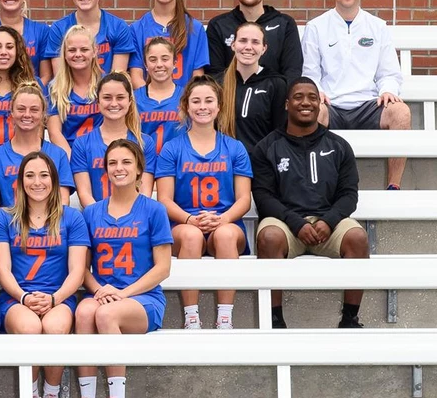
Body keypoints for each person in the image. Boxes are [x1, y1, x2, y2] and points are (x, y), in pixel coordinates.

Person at [252, 77, 369, 329]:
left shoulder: (339, 146)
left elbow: (349, 195)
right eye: (298, 97)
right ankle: (275, 320)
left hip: (328, 224)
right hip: (286, 223)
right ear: (286, 104)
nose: (305, 102)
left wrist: (329, 221)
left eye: (312, 97)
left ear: (319, 104)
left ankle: (350, 319)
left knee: (358, 238)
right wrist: (295, 223)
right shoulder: (267, 147)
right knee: (269, 237)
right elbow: (263, 196)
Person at [75, 139, 173, 398]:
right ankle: (87, 397)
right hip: (102, 293)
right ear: (105, 170)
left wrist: (122, 294)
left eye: (126, 162)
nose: (119, 168)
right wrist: (97, 289)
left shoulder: (154, 209)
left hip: (143, 299)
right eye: (113, 163)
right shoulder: (91, 212)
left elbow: (163, 268)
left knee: (106, 314)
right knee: (84, 311)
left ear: (139, 169)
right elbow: (81, 268)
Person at [153, 76, 252, 331]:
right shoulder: (172, 148)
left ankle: (225, 317)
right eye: (196, 101)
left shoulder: (234, 147)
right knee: (191, 236)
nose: (203, 106)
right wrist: (189, 219)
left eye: (209, 100)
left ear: (219, 107)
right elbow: (163, 199)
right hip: (184, 223)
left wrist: (223, 219)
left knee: (227, 235)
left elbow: (244, 199)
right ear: (186, 106)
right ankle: (191, 316)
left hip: (225, 221)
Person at [0, 151, 90, 398]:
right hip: (17, 298)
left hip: (59, 296)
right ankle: (31, 397)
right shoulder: (4, 217)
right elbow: (3, 270)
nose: (37, 182)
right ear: (20, 181)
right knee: (30, 328)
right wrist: (23, 297)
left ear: (54, 180)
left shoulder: (72, 217)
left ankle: (51, 394)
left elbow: (78, 271)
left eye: (44, 175)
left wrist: (55, 299)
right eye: (30, 175)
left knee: (55, 328)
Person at [302, 0, 410, 189]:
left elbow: (388, 72)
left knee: (401, 112)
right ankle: (316, 186)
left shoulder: (377, 27)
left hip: (368, 105)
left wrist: (387, 90)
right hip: (332, 105)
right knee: (313, 110)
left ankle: (394, 186)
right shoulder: (316, 27)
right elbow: (310, 73)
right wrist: (317, 91)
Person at [206, 0, 303, 83]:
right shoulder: (218, 25)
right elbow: (215, 74)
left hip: (273, 99)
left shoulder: (285, 24)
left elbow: (292, 72)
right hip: (230, 99)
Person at [70, 73, 156, 207]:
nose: (114, 103)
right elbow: (84, 194)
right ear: (98, 102)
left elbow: (145, 191)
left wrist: (131, 218)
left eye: (120, 97)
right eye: (107, 98)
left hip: (136, 222)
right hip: (96, 221)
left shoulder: (145, 142)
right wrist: (102, 220)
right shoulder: (82, 144)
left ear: (129, 101)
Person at [0, 83, 73, 213]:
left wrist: (41, 224)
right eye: (21, 109)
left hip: (49, 228)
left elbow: (63, 200)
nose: (27, 115)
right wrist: (10, 222)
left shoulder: (58, 154)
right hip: (10, 227)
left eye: (34, 110)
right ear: (11, 113)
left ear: (43, 114)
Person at [128, 0, 208, 89]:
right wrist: (150, 101)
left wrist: (183, 102)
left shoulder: (195, 28)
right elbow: (136, 76)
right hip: (148, 106)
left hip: (184, 104)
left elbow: (197, 77)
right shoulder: (137, 29)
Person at [43, 0, 136, 77]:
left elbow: (118, 78)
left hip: (107, 92)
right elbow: (60, 78)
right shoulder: (58, 28)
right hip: (70, 93)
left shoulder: (118, 27)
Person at [220, 22, 288, 152]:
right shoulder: (218, 83)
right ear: (233, 45)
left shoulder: (276, 84)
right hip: (224, 161)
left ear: (264, 48)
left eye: (255, 42)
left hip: (260, 162)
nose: (248, 47)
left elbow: (279, 132)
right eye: (243, 41)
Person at [45, 25, 103, 158]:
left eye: (84, 49)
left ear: (94, 51)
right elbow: (54, 133)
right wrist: (74, 161)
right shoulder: (54, 89)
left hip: (101, 155)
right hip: (69, 155)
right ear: (64, 54)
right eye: (72, 50)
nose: (78, 54)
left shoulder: (106, 84)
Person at [134, 37, 185, 156]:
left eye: (165, 59)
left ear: (174, 63)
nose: (159, 64)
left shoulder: (186, 97)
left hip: (176, 166)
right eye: (152, 60)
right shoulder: (134, 98)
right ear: (145, 65)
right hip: (144, 166)